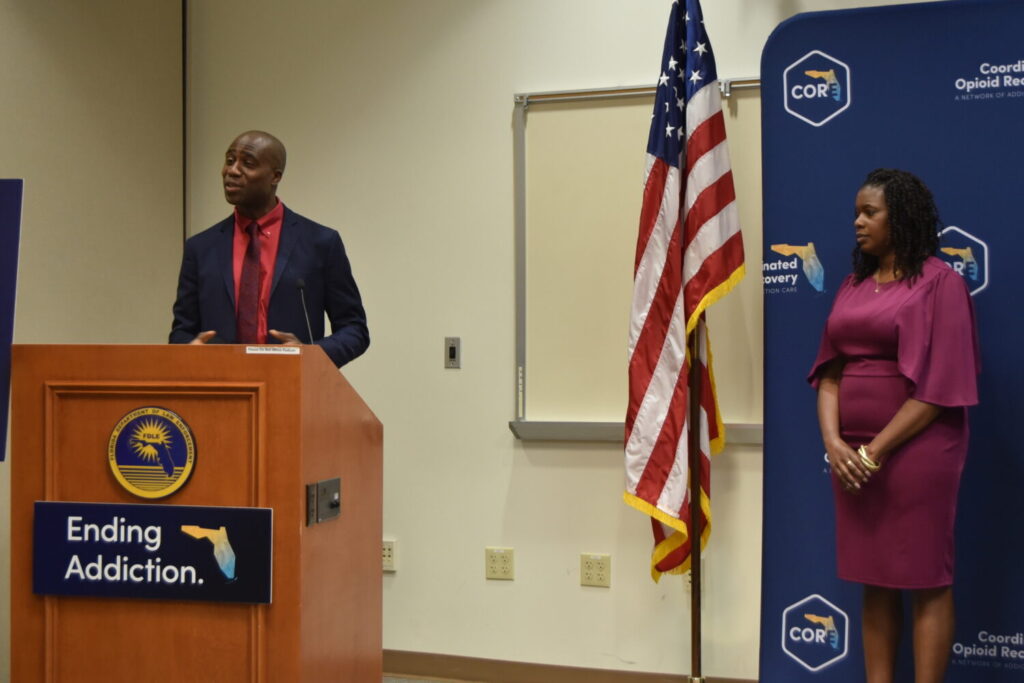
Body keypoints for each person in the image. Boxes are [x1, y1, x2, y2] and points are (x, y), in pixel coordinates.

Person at [808, 168, 980, 683]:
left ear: (899, 216)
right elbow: (830, 372)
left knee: (926, 576)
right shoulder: (852, 285)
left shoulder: (940, 284)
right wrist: (835, 443)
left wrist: (873, 452)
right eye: (856, 212)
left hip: (919, 452)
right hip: (853, 458)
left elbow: (939, 390)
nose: (857, 222)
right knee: (874, 577)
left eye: (869, 212)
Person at [169, 130, 369, 367]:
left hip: (293, 388)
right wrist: (189, 350)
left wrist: (310, 355)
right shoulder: (200, 248)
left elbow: (354, 329)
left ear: (275, 176)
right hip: (221, 389)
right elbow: (181, 333)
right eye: (230, 160)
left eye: (248, 163)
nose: (232, 171)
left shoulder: (320, 242)